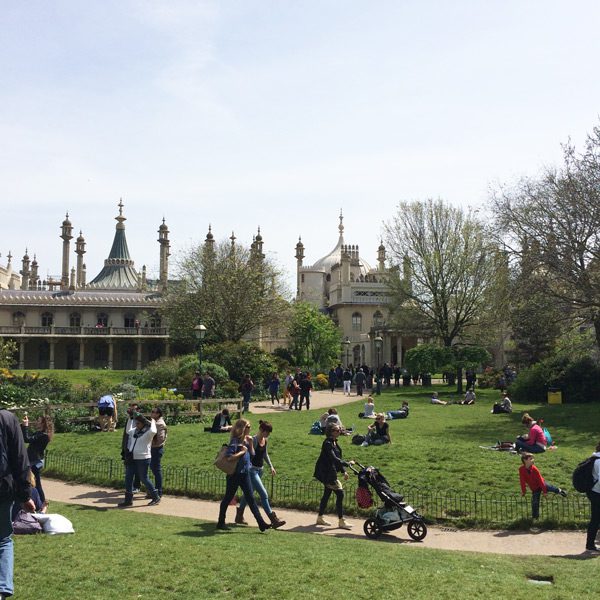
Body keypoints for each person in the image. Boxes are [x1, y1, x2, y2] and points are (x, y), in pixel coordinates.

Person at [0, 409, 35, 599]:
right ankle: (2, 588)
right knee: (3, 540)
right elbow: (20, 459)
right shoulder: (7, 418)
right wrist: (24, 495)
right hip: (3, 489)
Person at [216, 419, 271, 532]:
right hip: (234, 475)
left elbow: (252, 455)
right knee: (227, 498)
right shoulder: (235, 441)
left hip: (245, 473)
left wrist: (250, 445)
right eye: (248, 426)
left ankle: (261, 523)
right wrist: (242, 451)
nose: (250, 428)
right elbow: (229, 457)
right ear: (243, 428)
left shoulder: (247, 440)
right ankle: (221, 522)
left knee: (251, 499)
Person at [235, 420, 286, 529]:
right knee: (264, 494)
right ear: (261, 430)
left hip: (260, 470)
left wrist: (271, 466)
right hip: (252, 470)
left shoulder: (265, 440)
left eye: (269, 433)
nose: (268, 434)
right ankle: (273, 519)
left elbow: (265, 454)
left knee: (248, 494)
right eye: (266, 432)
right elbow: (248, 455)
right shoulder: (253, 440)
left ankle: (239, 515)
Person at [313, 422, 354, 530]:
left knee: (327, 494)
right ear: (331, 432)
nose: (339, 431)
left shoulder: (335, 442)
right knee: (340, 494)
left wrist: (343, 470)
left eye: (339, 429)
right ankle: (341, 521)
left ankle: (320, 518)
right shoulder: (327, 443)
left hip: (330, 471)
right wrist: (347, 463)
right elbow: (333, 458)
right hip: (326, 473)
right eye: (336, 430)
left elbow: (337, 459)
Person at [119, 411, 160, 507]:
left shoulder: (148, 433)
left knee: (143, 478)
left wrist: (153, 421)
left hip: (143, 458)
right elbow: (127, 430)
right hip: (132, 458)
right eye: (136, 423)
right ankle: (128, 500)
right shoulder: (134, 431)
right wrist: (130, 418)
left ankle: (155, 496)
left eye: (138, 423)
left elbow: (154, 431)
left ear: (144, 424)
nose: (136, 425)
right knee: (128, 477)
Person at [519, 452, 567, 520]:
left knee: (551, 488)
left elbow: (540, 480)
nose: (533, 460)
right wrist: (523, 491)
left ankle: (560, 491)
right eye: (531, 459)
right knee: (535, 502)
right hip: (534, 488)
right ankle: (535, 517)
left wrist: (544, 491)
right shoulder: (521, 469)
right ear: (525, 460)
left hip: (541, 484)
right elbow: (522, 481)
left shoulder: (535, 469)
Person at [20, 414, 53, 504]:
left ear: (44, 423)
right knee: (33, 483)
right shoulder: (39, 433)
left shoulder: (44, 435)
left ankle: (42, 503)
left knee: (36, 484)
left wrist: (26, 426)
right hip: (32, 461)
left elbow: (27, 439)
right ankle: (39, 502)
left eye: (39, 421)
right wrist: (23, 426)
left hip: (35, 462)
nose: (37, 422)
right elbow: (26, 437)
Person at [121, 403, 141, 493]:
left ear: (138, 410)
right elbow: (126, 433)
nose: (132, 411)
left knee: (137, 468)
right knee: (128, 468)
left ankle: (137, 486)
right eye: (131, 409)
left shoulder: (141, 420)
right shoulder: (129, 419)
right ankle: (129, 487)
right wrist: (124, 448)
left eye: (134, 409)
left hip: (137, 448)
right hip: (128, 447)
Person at [584, 441, 600, 553]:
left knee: (595, 519)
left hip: (594, 492)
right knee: (595, 519)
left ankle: (590, 544)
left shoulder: (595, 458)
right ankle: (590, 544)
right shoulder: (599, 461)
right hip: (597, 493)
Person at [148, 407, 167, 499]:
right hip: (152, 448)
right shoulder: (154, 422)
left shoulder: (159, 424)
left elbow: (160, 438)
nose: (151, 413)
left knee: (156, 469)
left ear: (158, 414)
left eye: (153, 412)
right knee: (154, 468)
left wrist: (149, 442)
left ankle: (158, 491)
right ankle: (156, 490)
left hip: (156, 449)